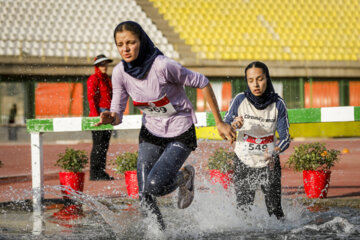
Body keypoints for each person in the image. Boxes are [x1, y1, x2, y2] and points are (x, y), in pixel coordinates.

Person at [95, 21, 235, 230]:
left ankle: (184, 176)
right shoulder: (119, 73)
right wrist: (111, 117)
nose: (125, 48)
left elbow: (202, 82)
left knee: (156, 185)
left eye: (131, 43)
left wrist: (220, 122)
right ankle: (159, 235)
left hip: (180, 132)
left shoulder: (162, 66)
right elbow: (117, 111)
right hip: (151, 132)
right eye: (120, 44)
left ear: (141, 41)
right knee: (144, 195)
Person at [224, 61, 290, 220]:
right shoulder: (239, 99)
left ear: (267, 78)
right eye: (251, 80)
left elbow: (286, 138)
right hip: (243, 161)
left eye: (260, 79)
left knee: (275, 211)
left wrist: (275, 151)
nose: (256, 84)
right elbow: (225, 126)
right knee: (243, 211)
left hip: (269, 162)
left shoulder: (278, 104)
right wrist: (233, 125)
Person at [87, 54, 114, 181]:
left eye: (106, 63)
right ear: (97, 66)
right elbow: (91, 98)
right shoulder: (93, 79)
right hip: (98, 114)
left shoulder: (107, 79)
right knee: (98, 145)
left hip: (107, 113)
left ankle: (101, 172)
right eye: (102, 64)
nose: (105, 66)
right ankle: (94, 173)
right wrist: (95, 116)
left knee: (104, 145)